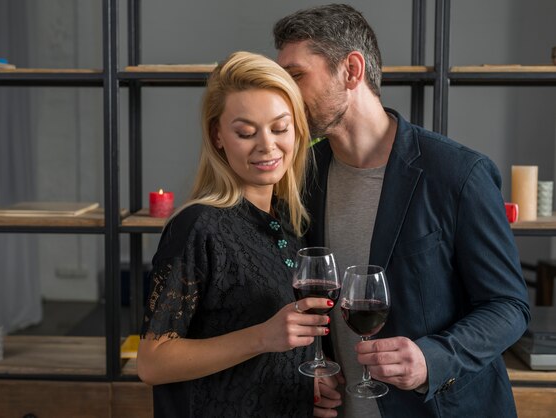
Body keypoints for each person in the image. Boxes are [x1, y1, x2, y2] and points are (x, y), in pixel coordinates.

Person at [273, 4, 530, 418]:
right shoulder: (302, 176)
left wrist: (433, 358)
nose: (282, 93)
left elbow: (509, 306)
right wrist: (311, 370)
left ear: (352, 70)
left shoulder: (458, 173)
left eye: (296, 75)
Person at [137, 50, 333, 418]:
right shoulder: (198, 226)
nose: (267, 145)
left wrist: (303, 385)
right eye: (246, 132)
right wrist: (262, 336)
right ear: (219, 136)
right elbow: (152, 363)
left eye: (279, 128)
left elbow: (268, 353)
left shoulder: (290, 221)